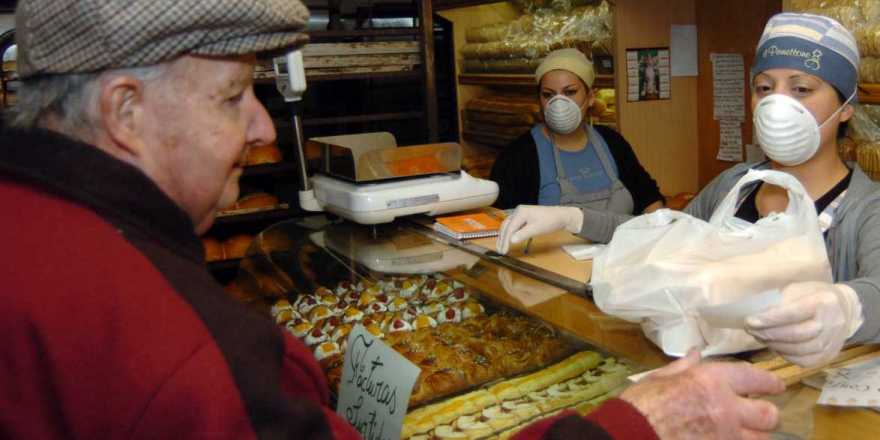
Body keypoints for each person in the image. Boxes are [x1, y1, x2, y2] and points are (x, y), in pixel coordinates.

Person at [0, 1, 786, 439]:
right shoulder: (178, 349)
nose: (265, 130)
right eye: (232, 95)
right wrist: (626, 427)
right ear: (124, 111)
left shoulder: (29, 231)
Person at [497, 13, 880, 368]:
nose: (776, 103)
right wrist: (573, 219)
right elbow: (658, 235)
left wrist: (846, 308)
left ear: (846, 108)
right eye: (764, 88)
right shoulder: (736, 186)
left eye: (801, 89)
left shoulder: (872, 208)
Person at [489, 48, 664, 216]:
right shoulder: (518, 157)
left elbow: (648, 198)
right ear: (539, 100)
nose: (559, 103)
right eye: (548, 95)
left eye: (570, 92)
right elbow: (502, 222)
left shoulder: (612, 142)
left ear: (590, 97)